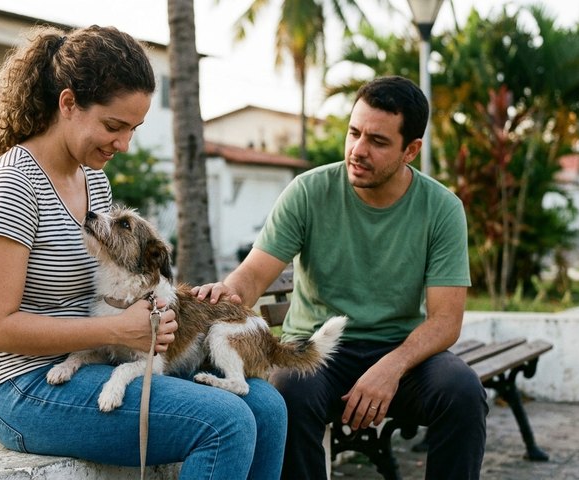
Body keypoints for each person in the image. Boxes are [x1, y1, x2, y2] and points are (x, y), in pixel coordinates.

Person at [0, 25, 287, 480]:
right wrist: (118, 328)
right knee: (226, 422)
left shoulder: (93, 181)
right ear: (67, 104)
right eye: (113, 126)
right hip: (25, 387)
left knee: (268, 407)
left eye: (133, 129)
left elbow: (125, 281)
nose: (123, 144)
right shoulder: (12, 185)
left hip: (101, 360)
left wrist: (167, 308)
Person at [193, 75, 488, 479]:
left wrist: (392, 366)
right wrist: (228, 292)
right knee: (287, 394)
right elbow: (254, 275)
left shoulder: (441, 208)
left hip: (400, 351)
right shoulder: (308, 192)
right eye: (354, 133)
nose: (358, 150)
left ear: (411, 150)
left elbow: (445, 321)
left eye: (378, 141)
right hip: (316, 350)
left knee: (464, 393)